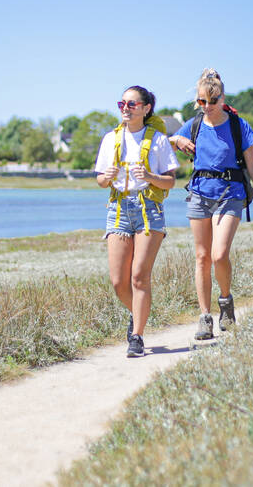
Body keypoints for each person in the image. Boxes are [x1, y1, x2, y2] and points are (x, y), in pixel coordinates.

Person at [169, 69, 253, 341]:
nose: (207, 107)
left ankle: (226, 303)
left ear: (223, 98)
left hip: (231, 192)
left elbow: (252, 164)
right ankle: (204, 318)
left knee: (219, 254)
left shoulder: (238, 126)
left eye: (212, 101)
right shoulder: (194, 124)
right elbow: (166, 142)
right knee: (201, 257)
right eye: (202, 102)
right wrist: (177, 139)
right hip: (200, 194)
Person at [95, 86, 179, 357]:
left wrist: (151, 176)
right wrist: (106, 176)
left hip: (149, 209)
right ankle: (138, 314)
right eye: (122, 103)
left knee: (139, 277)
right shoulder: (111, 139)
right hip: (118, 208)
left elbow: (171, 181)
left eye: (132, 104)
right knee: (119, 281)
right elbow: (100, 180)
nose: (125, 108)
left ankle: (137, 336)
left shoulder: (158, 140)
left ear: (146, 108)